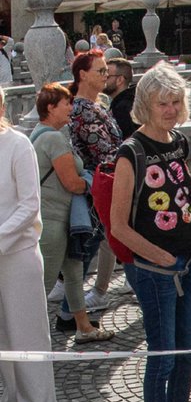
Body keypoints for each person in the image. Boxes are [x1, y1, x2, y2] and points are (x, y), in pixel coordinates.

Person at [107, 63, 191, 402]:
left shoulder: (179, 141)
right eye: (162, 103)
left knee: (185, 352)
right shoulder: (131, 152)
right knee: (163, 355)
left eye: (175, 102)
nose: (170, 109)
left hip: (190, 261)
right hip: (155, 270)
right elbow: (118, 225)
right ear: (145, 105)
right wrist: (160, 256)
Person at [31, 82, 112, 344]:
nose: (71, 108)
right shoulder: (53, 138)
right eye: (66, 103)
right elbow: (72, 184)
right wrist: (90, 181)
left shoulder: (39, 133)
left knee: (75, 275)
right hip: (54, 223)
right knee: (43, 285)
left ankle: (84, 327)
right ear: (51, 108)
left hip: (59, 221)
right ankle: (27, 339)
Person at [0, 85, 56, 402]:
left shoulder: (18, 144)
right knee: (2, 332)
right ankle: (12, 399)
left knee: (26, 330)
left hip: (18, 252)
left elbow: (29, 205)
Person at [67, 49, 121, 316]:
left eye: (106, 71)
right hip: (99, 182)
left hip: (105, 179)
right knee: (101, 238)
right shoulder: (83, 109)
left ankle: (92, 292)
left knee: (106, 237)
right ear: (83, 75)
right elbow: (105, 152)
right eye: (100, 71)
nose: (105, 76)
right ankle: (84, 296)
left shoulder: (96, 104)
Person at [103, 57, 135, 138]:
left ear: (120, 80)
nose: (103, 79)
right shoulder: (132, 99)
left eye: (107, 76)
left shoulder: (122, 109)